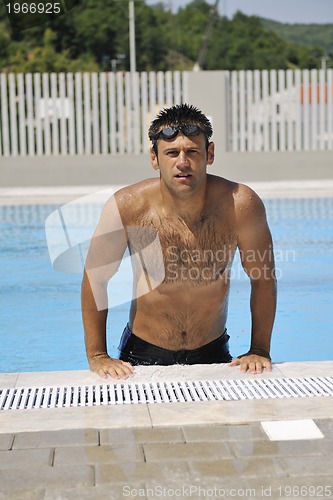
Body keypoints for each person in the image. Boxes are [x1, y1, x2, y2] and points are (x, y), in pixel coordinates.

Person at [81, 104, 277, 379]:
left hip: (212, 353)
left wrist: (259, 349)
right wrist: (98, 356)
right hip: (141, 354)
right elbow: (95, 278)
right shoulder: (128, 207)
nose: (182, 162)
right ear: (154, 157)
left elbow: (264, 278)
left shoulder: (240, 205)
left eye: (192, 152)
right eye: (172, 153)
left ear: (209, 154)